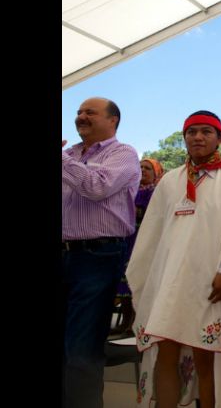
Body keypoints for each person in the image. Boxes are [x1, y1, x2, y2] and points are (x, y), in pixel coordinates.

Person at [126, 111, 221, 408]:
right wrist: (151, 279)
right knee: (166, 355)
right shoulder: (170, 181)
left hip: (207, 284)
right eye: (191, 132)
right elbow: (151, 234)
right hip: (167, 283)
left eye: (206, 132)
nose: (197, 137)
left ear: (219, 139)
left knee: (205, 359)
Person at [62, 97, 141, 408]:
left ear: (112, 121)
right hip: (65, 253)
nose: (81, 116)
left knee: (82, 346)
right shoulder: (69, 154)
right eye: (79, 112)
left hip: (97, 256)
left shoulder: (123, 154)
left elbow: (97, 187)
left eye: (90, 112)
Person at [111, 158, 164, 337]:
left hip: (146, 239)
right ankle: (126, 322)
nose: (143, 170)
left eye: (148, 168)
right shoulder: (131, 190)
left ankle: (136, 324)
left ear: (156, 172)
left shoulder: (157, 192)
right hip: (128, 239)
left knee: (139, 280)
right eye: (140, 167)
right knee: (125, 282)